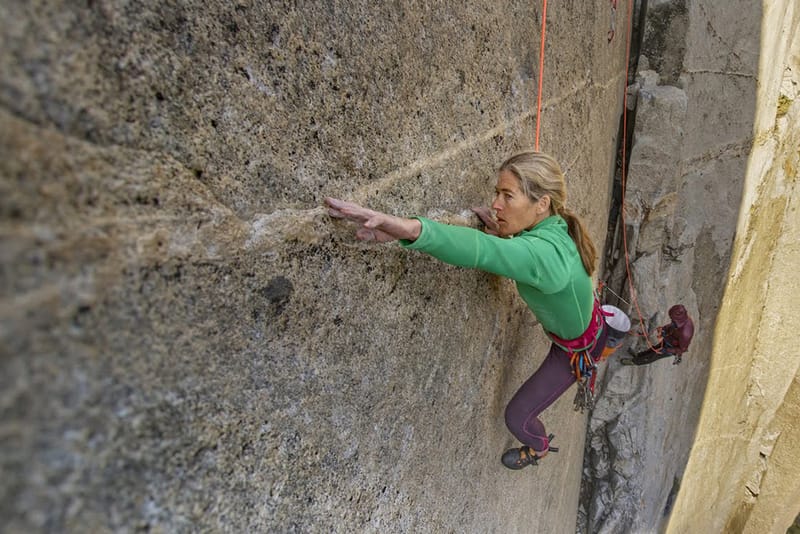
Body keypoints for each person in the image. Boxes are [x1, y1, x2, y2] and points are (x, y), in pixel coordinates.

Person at [326, 150, 608, 470]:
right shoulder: (555, 226)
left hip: (577, 349)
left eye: (508, 196)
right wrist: (511, 234)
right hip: (589, 322)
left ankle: (540, 448)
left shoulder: (548, 257)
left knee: (518, 418)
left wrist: (406, 228)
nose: (496, 204)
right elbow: (523, 249)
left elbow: (482, 251)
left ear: (541, 203)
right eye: (497, 193)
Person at [621, 304, 694, 366]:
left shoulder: (685, 334)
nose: (672, 320)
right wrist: (664, 329)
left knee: (652, 356)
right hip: (669, 340)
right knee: (652, 350)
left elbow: (682, 349)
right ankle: (638, 356)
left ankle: (634, 362)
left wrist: (667, 349)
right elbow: (672, 325)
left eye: (673, 319)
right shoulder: (680, 322)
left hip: (671, 348)